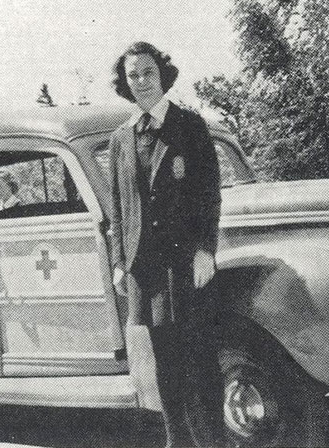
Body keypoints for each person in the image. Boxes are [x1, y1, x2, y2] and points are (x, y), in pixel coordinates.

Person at [107, 41, 223, 447]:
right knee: (167, 372)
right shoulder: (120, 140)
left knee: (202, 366)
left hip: (187, 266)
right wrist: (120, 262)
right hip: (148, 270)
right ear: (125, 82)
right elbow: (119, 210)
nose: (141, 82)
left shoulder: (189, 125)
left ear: (162, 75)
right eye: (133, 75)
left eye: (148, 73)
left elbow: (209, 192)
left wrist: (206, 250)